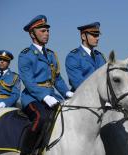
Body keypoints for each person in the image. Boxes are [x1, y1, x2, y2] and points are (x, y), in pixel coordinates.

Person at [18, 15, 73, 154]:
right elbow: (28, 82)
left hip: (52, 96)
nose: (46, 33)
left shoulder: (51, 55)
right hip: (32, 98)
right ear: (32, 34)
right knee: (40, 118)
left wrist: (67, 93)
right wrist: (44, 97)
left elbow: (57, 79)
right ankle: (26, 151)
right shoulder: (25, 55)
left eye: (47, 31)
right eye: (42, 31)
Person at [65, 22, 106, 91]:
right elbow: (79, 83)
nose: (97, 38)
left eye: (98, 35)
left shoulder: (100, 56)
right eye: (94, 35)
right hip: (82, 98)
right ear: (83, 36)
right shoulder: (73, 57)